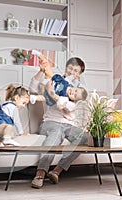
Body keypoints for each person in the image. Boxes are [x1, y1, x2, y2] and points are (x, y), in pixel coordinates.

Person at [29, 56, 89, 189]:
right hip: (50, 122)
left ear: (79, 75)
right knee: (56, 133)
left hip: (68, 125)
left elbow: (68, 107)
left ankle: (57, 171)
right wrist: (41, 71)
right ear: (66, 67)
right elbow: (32, 88)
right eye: (71, 68)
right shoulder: (55, 81)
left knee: (83, 138)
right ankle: (40, 174)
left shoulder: (78, 92)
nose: (72, 72)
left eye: (76, 71)